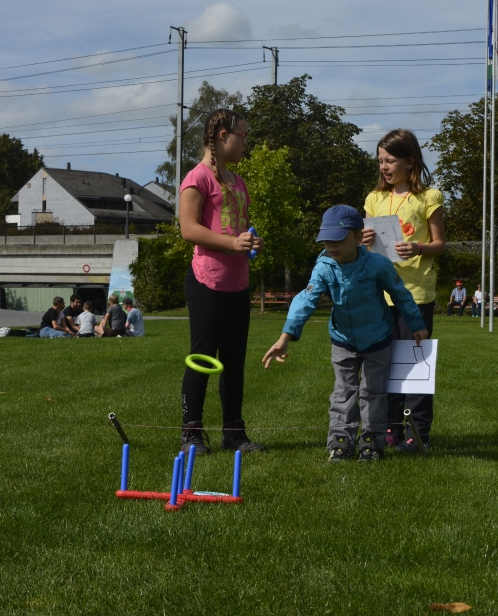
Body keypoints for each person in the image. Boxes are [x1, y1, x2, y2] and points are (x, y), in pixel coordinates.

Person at [262, 205, 427, 463]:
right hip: (343, 341)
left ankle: (372, 443)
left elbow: (400, 294)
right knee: (343, 391)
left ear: (359, 237)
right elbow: (305, 300)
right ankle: (341, 442)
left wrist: (417, 325)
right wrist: (285, 337)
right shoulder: (324, 267)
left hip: (377, 339)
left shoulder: (378, 264)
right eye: (326, 240)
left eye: (338, 239)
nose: (331, 245)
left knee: (373, 392)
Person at [179, 107, 264, 455]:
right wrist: (232, 243)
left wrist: (249, 241)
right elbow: (189, 229)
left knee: (234, 362)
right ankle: (191, 433)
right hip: (206, 282)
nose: (246, 144)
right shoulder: (197, 178)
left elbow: (236, 228)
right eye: (242, 136)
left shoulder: (238, 181)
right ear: (222, 135)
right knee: (202, 357)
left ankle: (234, 434)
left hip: (237, 283)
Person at [362, 129, 445, 454]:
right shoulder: (374, 198)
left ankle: (418, 433)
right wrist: (364, 240)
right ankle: (391, 429)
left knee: (414, 367)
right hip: (380, 296)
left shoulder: (429, 197)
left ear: (410, 162)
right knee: (384, 366)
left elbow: (439, 244)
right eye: (380, 160)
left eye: (390, 160)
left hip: (416, 296)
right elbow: (365, 248)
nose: (383, 166)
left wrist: (418, 247)